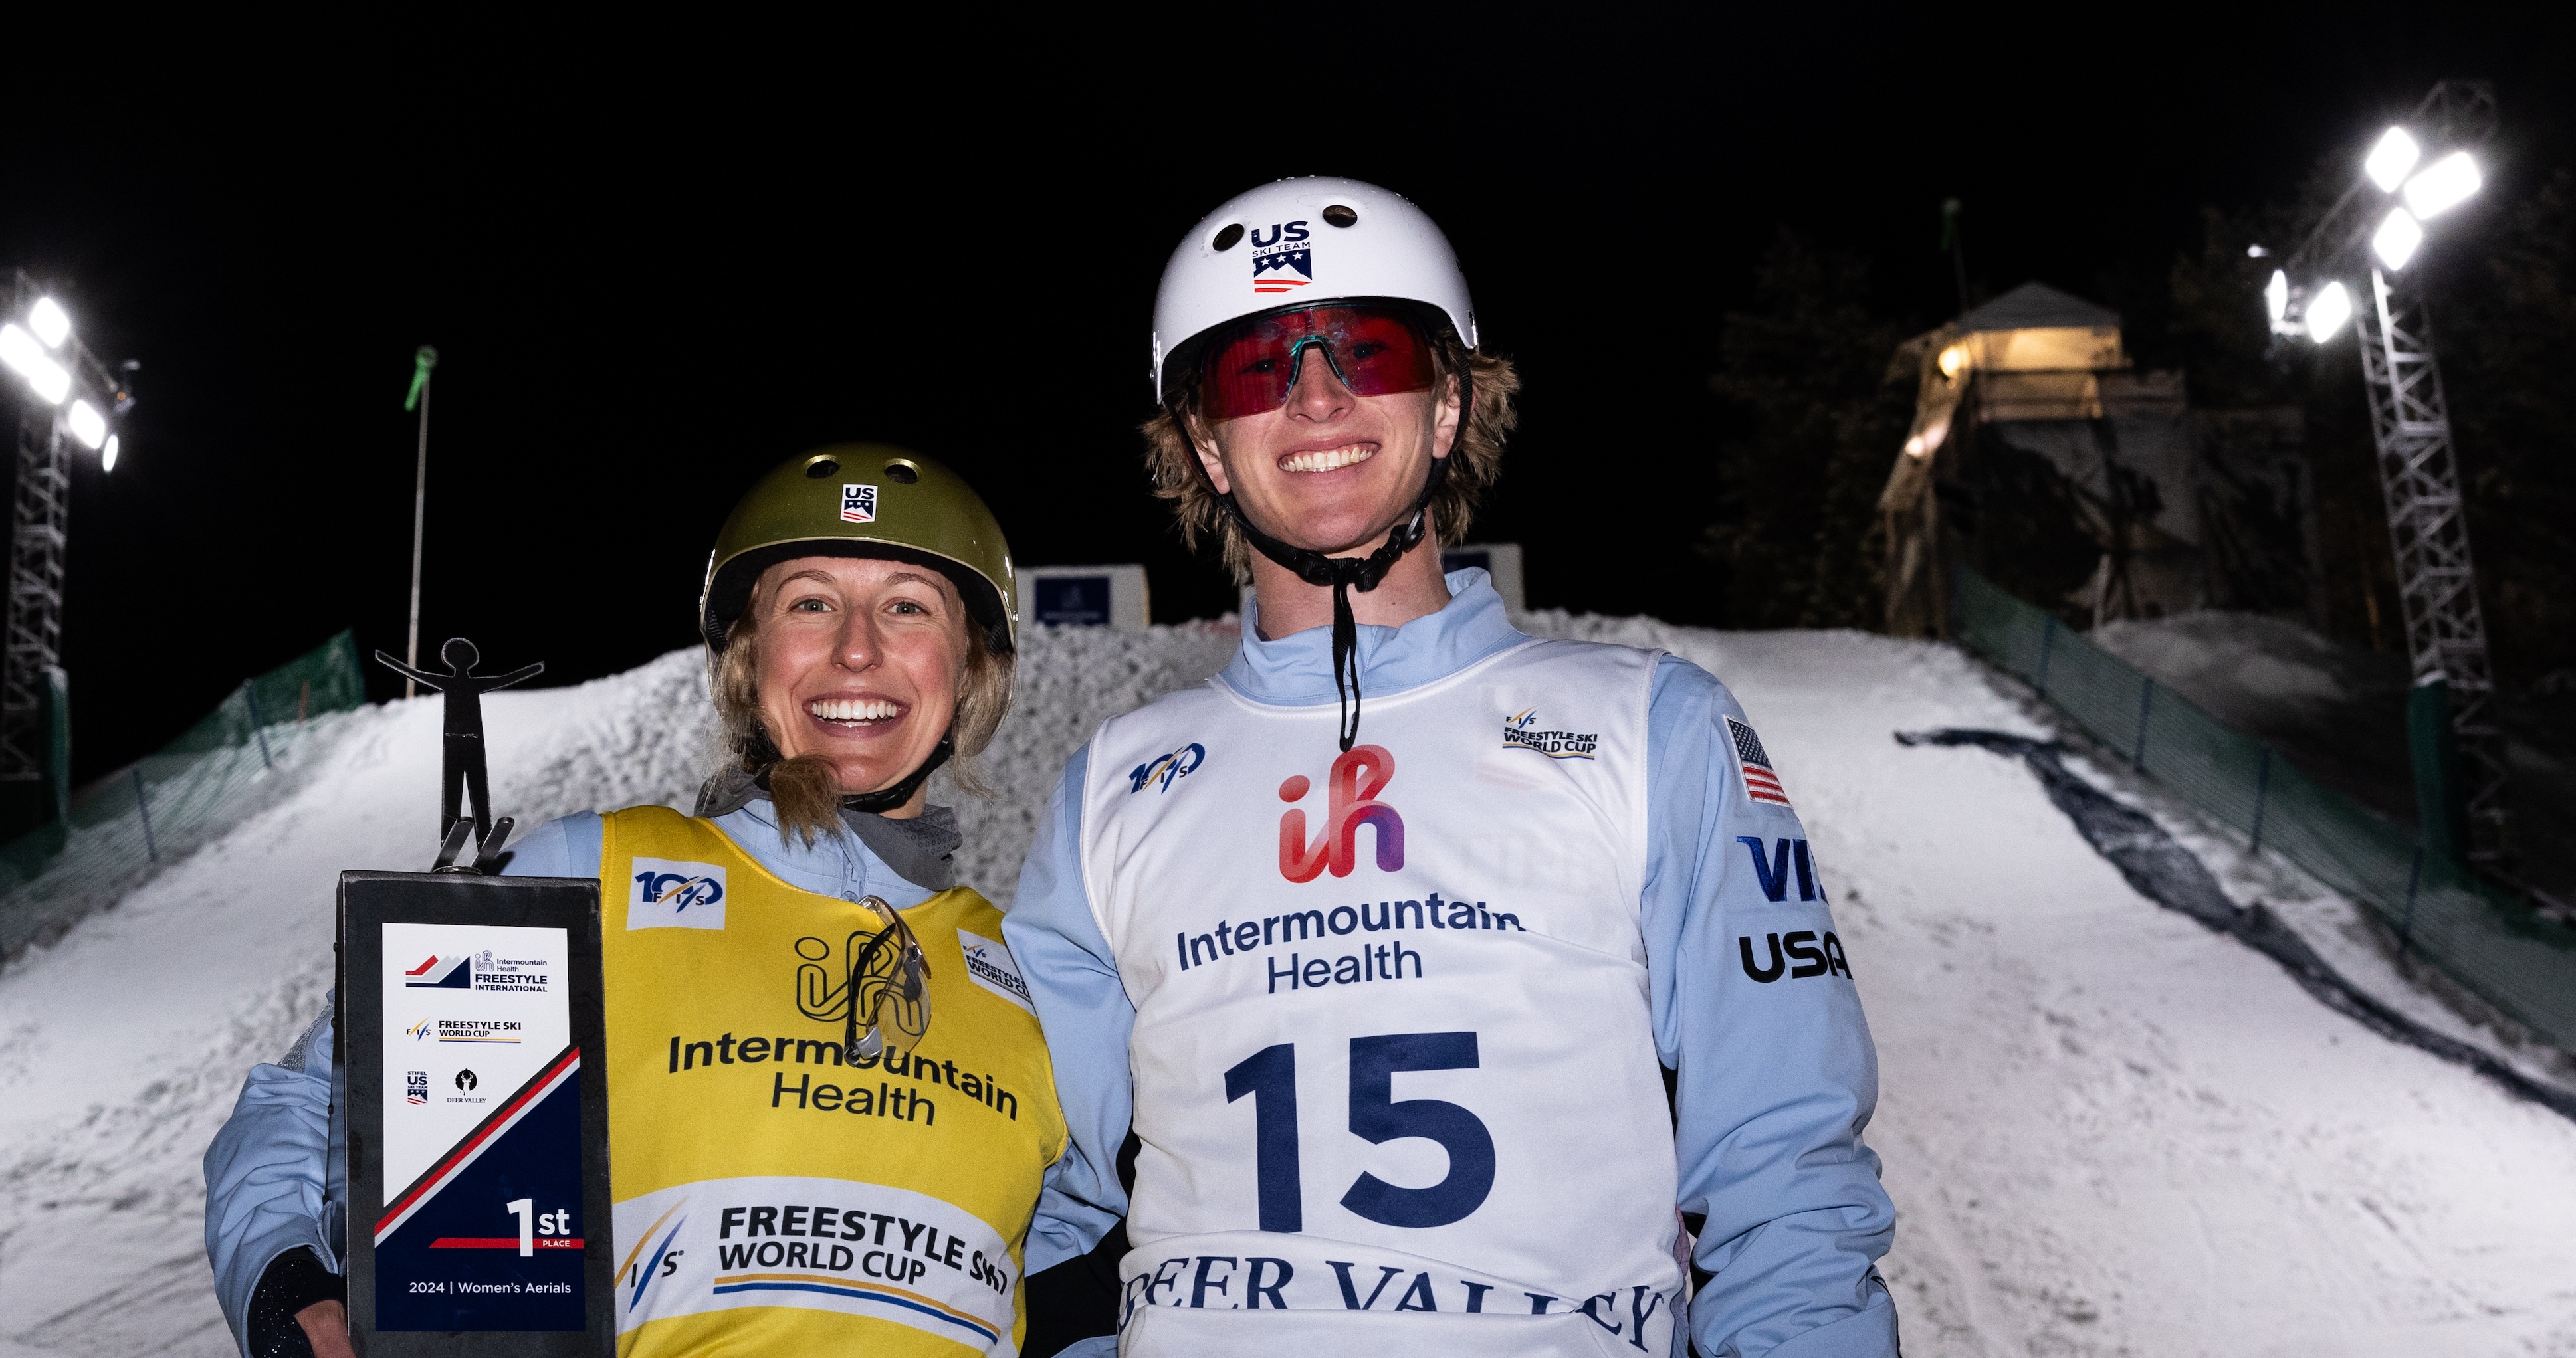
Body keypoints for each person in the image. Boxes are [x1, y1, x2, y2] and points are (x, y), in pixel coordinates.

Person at [1002, 178, 1899, 1357]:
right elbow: (1049, 1202)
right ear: (1208, 448)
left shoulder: (1653, 726)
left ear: (1447, 406)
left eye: (1366, 352)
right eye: (1256, 369)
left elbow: (1787, 1170)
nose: (1317, 397)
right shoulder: (1115, 785)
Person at [205, 445, 1112, 1356]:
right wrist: (287, 1283)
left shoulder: (1035, 973)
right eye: (810, 603)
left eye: (907, 607)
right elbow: (316, 1101)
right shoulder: (591, 877)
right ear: (748, 657)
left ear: (972, 667)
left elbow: (1080, 1266)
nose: (857, 649)